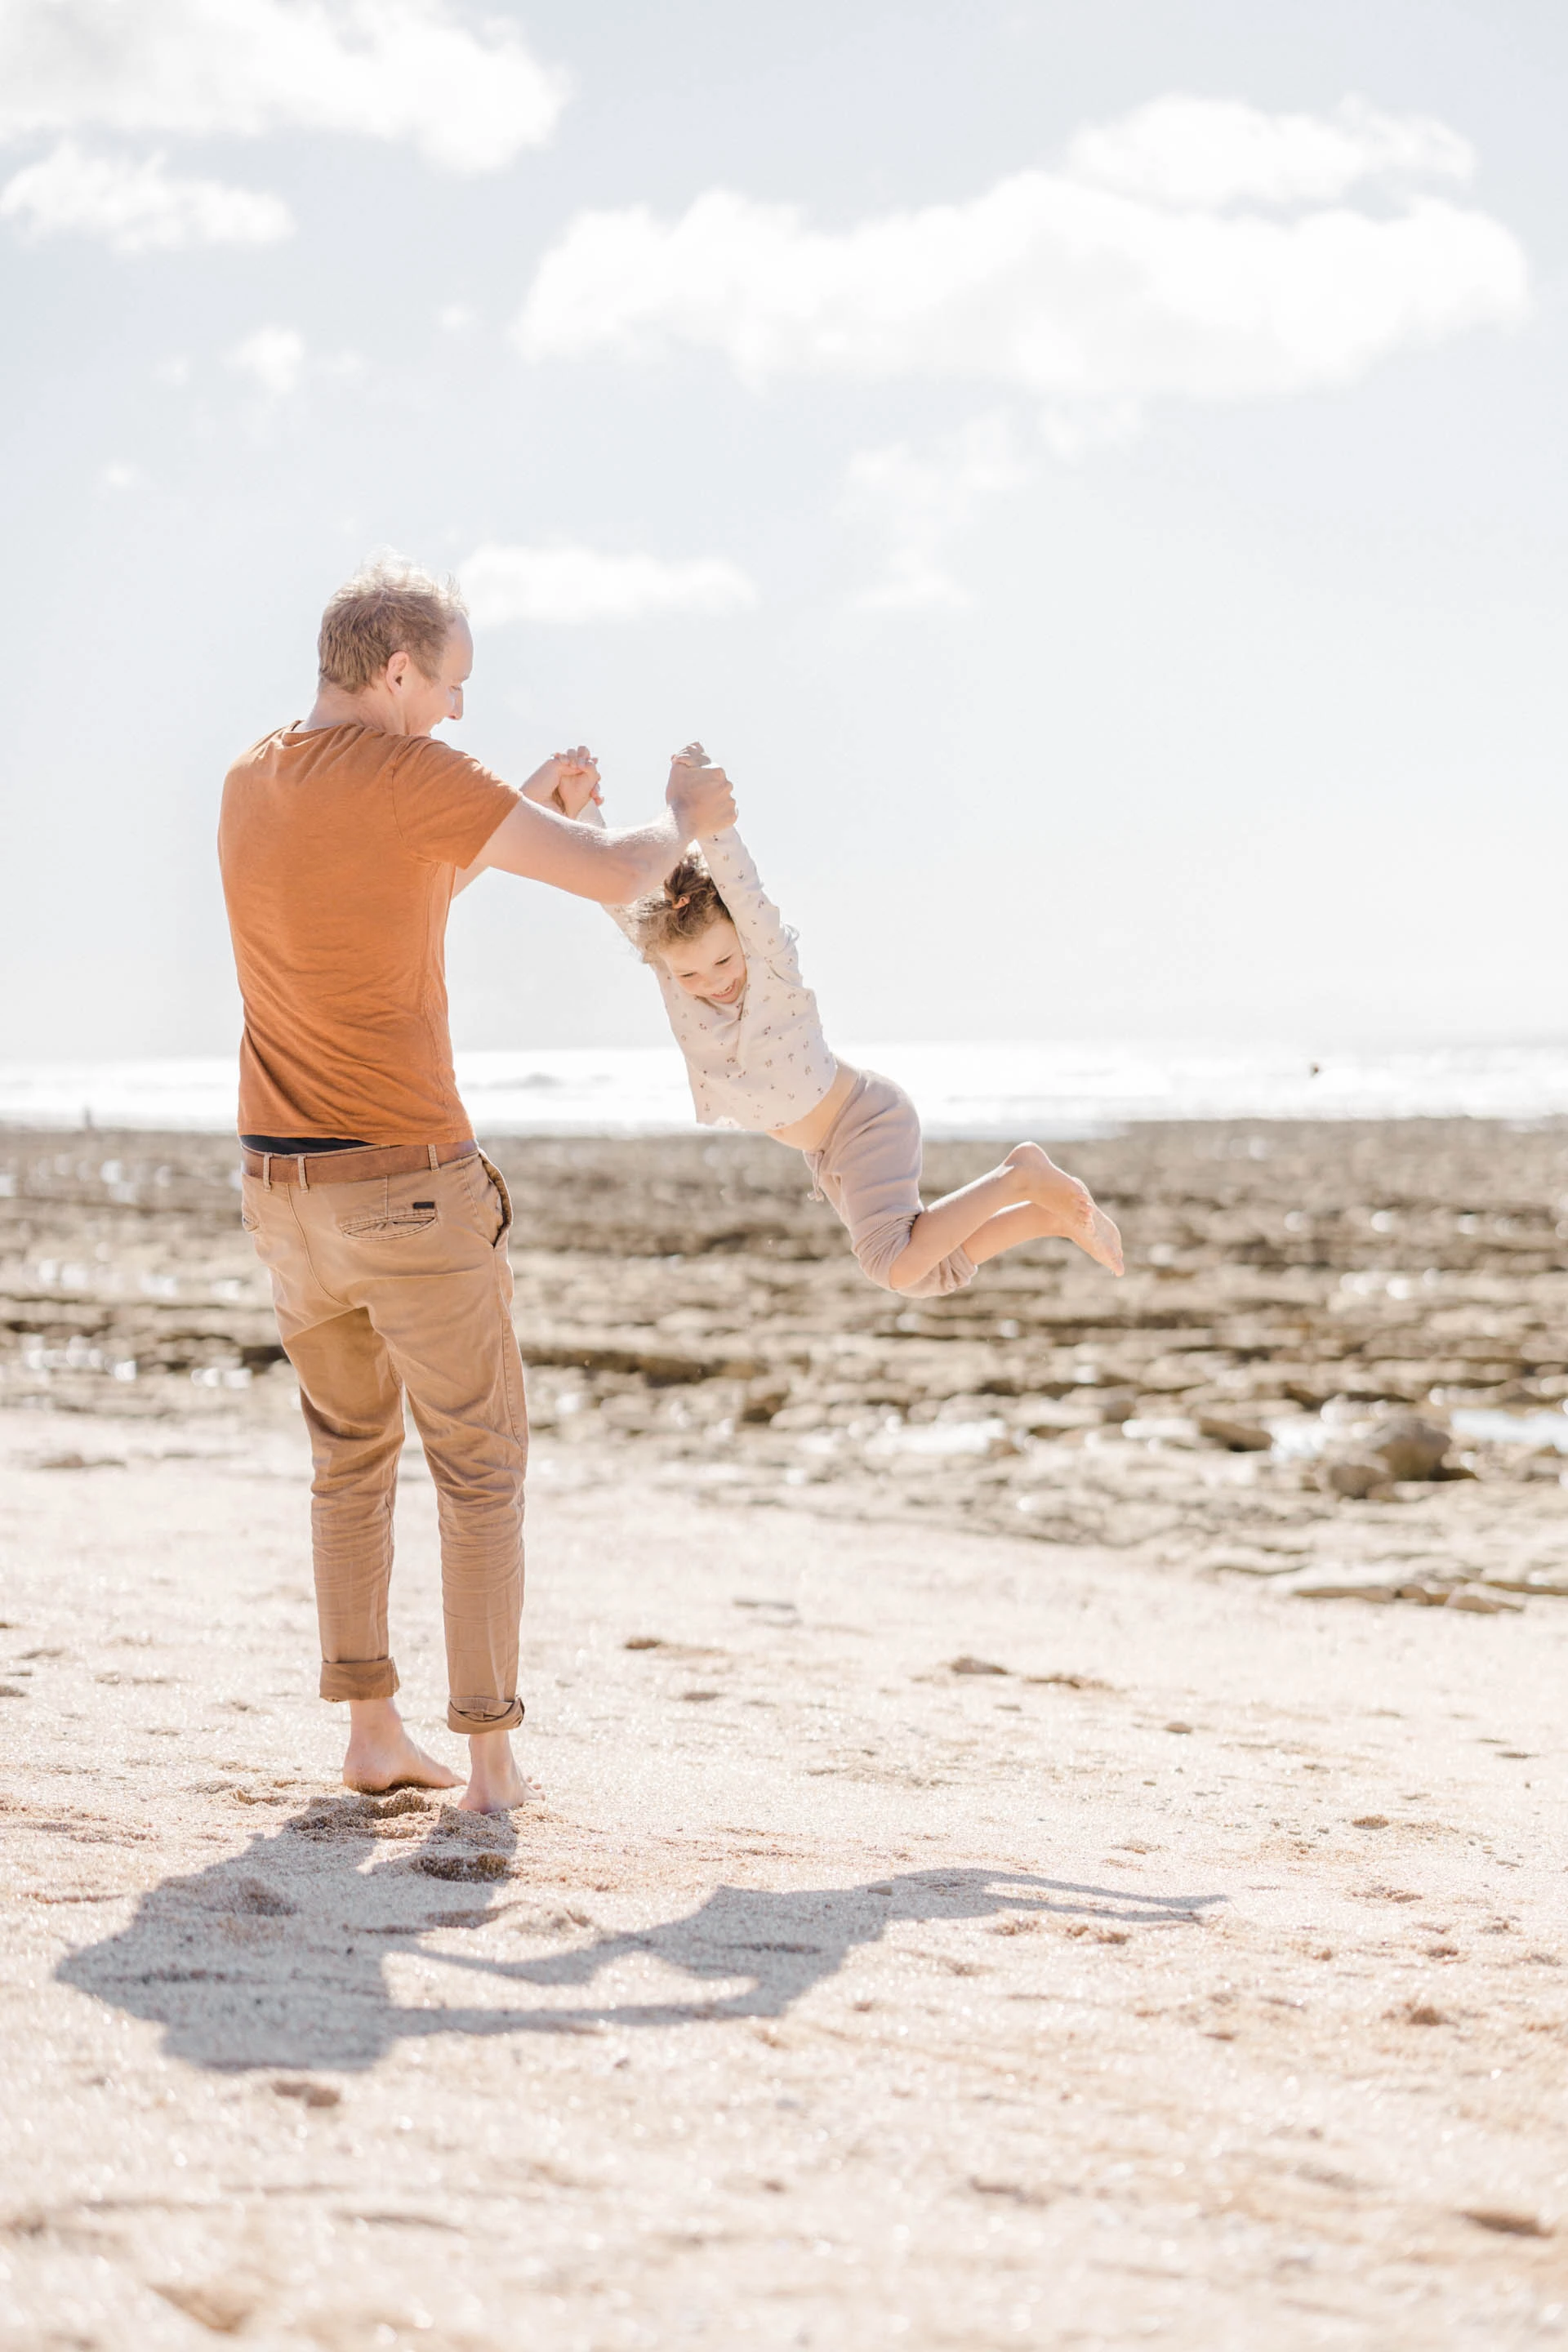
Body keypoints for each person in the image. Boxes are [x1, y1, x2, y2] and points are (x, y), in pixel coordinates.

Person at [217, 559, 733, 1811]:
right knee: (479, 1467)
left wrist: (515, 808)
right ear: (397, 671)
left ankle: (373, 1735)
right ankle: (492, 1765)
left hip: (286, 1196)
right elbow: (621, 872)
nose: (456, 710)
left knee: (348, 1460)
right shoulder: (413, 775)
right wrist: (687, 812)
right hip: (408, 1187)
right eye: (449, 685)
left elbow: (400, 885)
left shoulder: (252, 779)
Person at [532, 746, 1123, 1297]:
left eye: (722, 960)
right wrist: (579, 806)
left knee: (893, 1264)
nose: (712, 982)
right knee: (925, 1275)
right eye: (691, 976)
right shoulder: (675, 975)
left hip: (865, 1121)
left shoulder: (769, 966)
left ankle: (1017, 1176)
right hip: (828, 1151)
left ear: (743, 940)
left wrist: (705, 814)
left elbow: (742, 884)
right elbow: (617, 895)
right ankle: (1046, 1218)